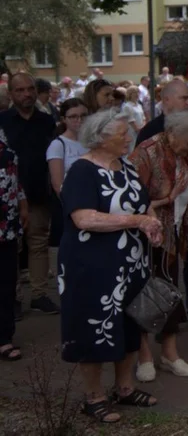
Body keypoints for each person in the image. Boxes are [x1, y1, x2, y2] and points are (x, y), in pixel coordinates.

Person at [59, 109, 163, 424]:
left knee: (131, 326)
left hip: (131, 263)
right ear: (101, 138)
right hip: (91, 266)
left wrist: (152, 223)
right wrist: (137, 220)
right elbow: (84, 218)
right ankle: (94, 397)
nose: (129, 138)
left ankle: (125, 388)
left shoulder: (126, 166)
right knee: (94, 328)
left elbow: (144, 203)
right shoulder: (82, 171)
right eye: (122, 134)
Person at [129, 112, 188, 382]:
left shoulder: (184, 150)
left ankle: (170, 353)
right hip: (146, 235)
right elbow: (131, 202)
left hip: (174, 234)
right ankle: (143, 356)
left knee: (170, 291)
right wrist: (167, 199)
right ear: (174, 134)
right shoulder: (146, 152)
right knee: (144, 294)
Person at [0, 72, 60, 314]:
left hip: (37, 192)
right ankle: (10, 297)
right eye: (20, 90)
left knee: (38, 244)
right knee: (10, 248)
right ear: (11, 94)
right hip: (7, 197)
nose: (26, 94)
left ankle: (39, 294)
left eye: (30, 89)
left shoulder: (46, 121)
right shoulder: (2, 121)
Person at [0, 129, 29, 363]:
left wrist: (22, 201)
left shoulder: (3, 134)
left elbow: (13, 174)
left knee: (6, 282)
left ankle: (3, 338)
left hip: (6, 224)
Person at [47, 98, 90, 198]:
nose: (79, 120)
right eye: (73, 117)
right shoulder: (58, 145)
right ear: (63, 119)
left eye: (83, 116)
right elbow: (58, 185)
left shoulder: (92, 142)